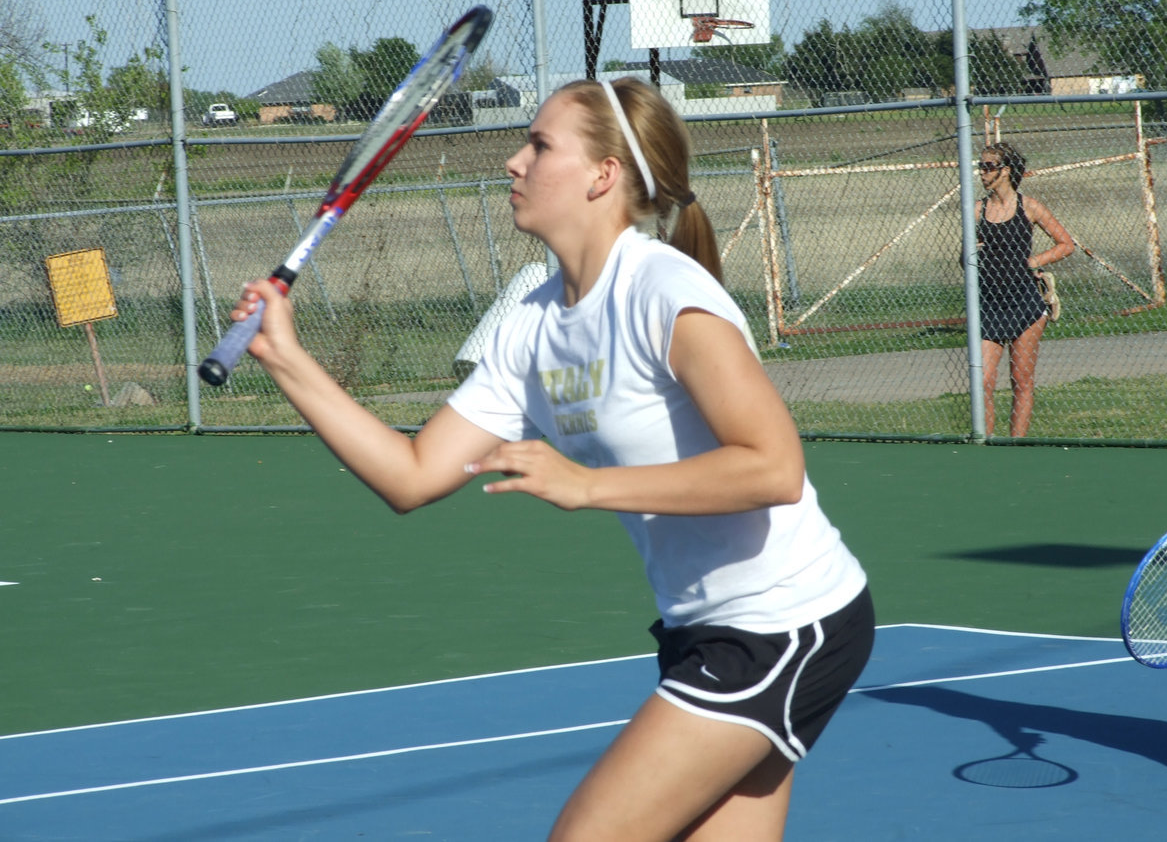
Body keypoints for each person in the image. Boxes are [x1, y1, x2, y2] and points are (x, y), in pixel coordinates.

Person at [229, 76, 873, 842]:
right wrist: (288, 358)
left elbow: (772, 467)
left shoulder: (665, 292)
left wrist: (589, 485)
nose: (513, 161)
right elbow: (413, 474)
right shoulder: (529, 322)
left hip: (785, 622)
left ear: (604, 174)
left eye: (539, 144)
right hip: (702, 629)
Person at [973, 142, 1075, 437]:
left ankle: (1016, 447)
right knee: (983, 382)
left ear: (1005, 171)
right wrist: (971, 252)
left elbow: (1066, 244)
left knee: (1022, 379)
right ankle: (988, 445)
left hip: (1025, 304)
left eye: (989, 166)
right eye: (981, 166)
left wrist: (1035, 262)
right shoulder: (977, 211)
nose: (982, 172)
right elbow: (963, 259)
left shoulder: (1028, 207)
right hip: (989, 305)